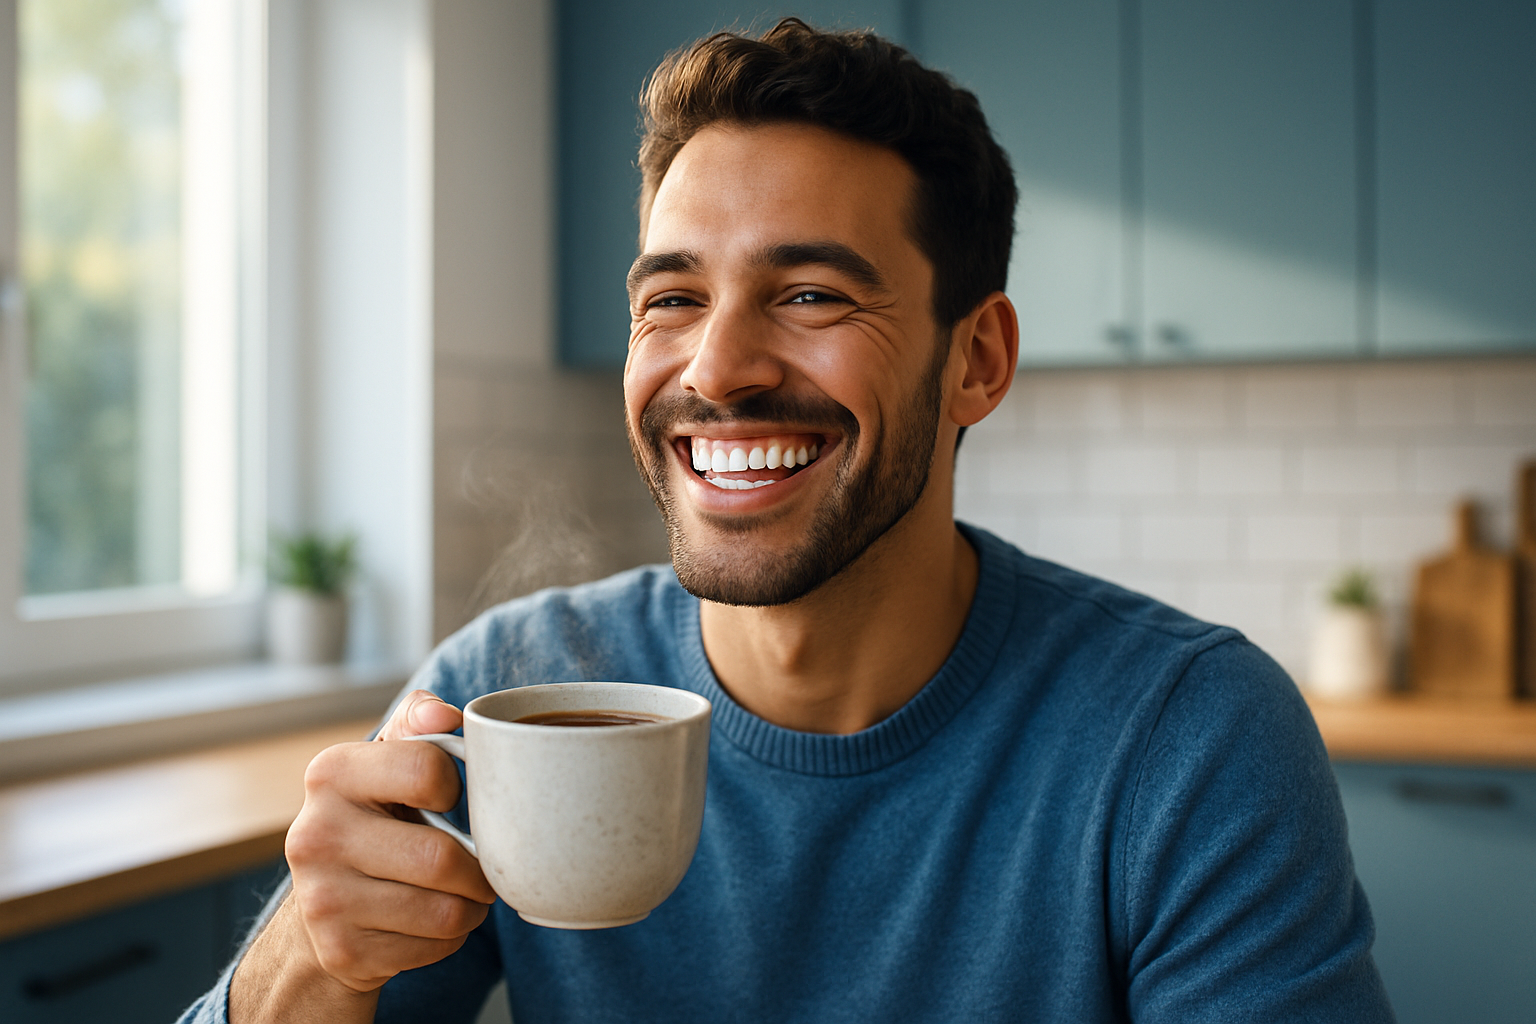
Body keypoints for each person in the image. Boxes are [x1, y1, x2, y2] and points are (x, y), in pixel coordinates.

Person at [184, 19, 1394, 1023]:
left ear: (977, 359)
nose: (718, 367)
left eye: (810, 294)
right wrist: (313, 960)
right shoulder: (506, 691)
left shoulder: (1188, 739)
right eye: (672, 297)